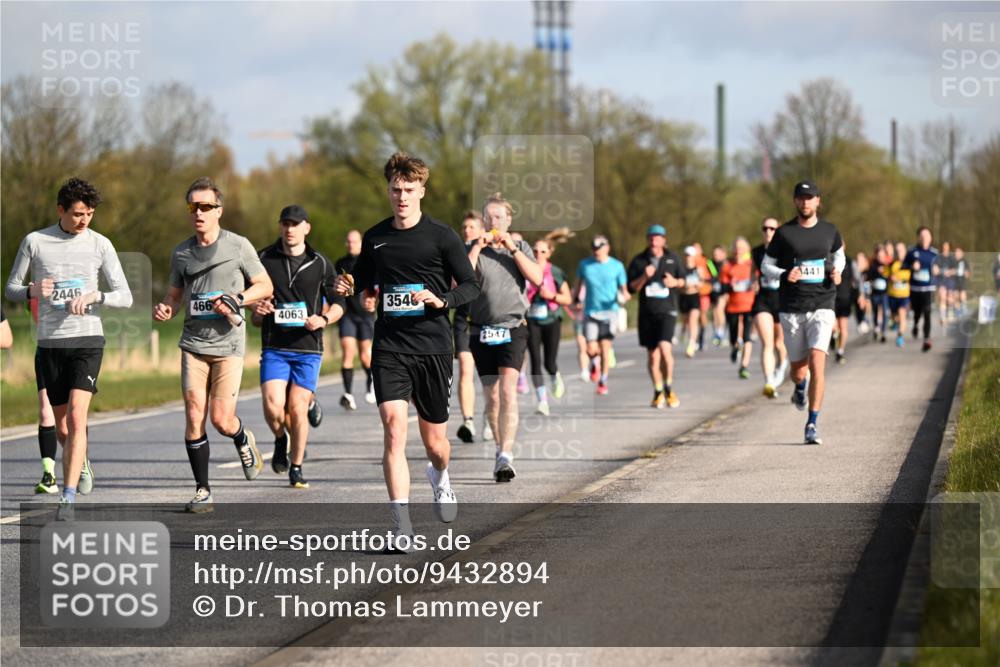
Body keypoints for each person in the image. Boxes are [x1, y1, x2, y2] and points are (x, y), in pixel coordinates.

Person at [334, 152, 480, 547]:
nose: (401, 197)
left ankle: (441, 477)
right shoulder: (376, 237)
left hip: (432, 346)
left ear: (422, 192)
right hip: (390, 347)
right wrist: (351, 290)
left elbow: (470, 285)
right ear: (388, 191)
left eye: (409, 190)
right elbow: (360, 282)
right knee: (394, 430)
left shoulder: (442, 236)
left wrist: (441, 301)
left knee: (436, 445)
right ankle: (402, 526)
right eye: (396, 190)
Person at [5, 177, 134, 519]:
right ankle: (82, 462)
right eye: (77, 213)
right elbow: (11, 289)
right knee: (62, 428)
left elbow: (126, 295)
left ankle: (68, 496)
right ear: (60, 209)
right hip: (50, 343)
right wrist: (33, 289)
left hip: (87, 339)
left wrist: (97, 295)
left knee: (78, 416)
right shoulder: (35, 241)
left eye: (89, 214)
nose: (84, 220)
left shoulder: (100, 244)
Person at [153, 177, 273, 513]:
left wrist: (238, 299)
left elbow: (264, 285)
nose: (198, 212)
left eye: (205, 206)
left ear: (218, 210)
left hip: (228, 345)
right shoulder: (182, 252)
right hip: (192, 343)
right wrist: (166, 307)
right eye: (193, 206)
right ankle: (203, 490)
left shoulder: (238, 246)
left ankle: (240, 437)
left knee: (221, 419)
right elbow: (175, 296)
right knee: (194, 414)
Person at [252, 205, 343, 490]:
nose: (290, 229)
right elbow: (254, 314)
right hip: (275, 346)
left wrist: (323, 318)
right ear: (280, 226)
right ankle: (280, 438)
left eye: (295, 224)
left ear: (307, 228)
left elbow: (340, 306)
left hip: (308, 348)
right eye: (285, 224)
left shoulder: (320, 262)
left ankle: (297, 466)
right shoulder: (263, 258)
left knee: (297, 407)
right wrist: (259, 309)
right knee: (272, 406)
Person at [761, 180, 845, 446]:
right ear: (795, 201)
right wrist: (786, 273)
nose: (805, 202)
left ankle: (812, 423)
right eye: (801, 198)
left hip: (822, 303)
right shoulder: (784, 234)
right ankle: (799, 388)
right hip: (792, 309)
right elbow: (766, 266)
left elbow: (839, 255)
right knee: (799, 370)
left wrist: (837, 271)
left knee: (818, 362)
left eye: (810, 198)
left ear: (818, 201)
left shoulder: (830, 231)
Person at [467, 193, 542, 481]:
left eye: (498, 217)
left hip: (513, 327)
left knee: (509, 391)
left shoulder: (520, 246)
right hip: (481, 329)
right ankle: (500, 449)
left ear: (508, 220)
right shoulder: (473, 248)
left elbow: (536, 278)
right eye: (488, 217)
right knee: (492, 397)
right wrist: (476, 248)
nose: (493, 222)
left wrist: (513, 249)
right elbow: (459, 280)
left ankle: (505, 455)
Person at [627, 224, 684, 408]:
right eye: (651, 237)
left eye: (658, 237)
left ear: (664, 240)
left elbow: (684, 280)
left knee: (665, 350)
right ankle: (658, 390)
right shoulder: (639, 261)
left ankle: (669, 387)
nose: (654, 240)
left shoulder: (673, 258)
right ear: (647, 239)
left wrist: (674, 282)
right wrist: (644, 276)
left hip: (667, 311)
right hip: (647, 313)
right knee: (653, 357)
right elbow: (631, 288)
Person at [573, 235, 629, 396]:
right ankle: (594, 362)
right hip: (590, 311)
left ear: (607, 247)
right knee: (590, 348)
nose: (596, 251)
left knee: (605, 347)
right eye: (594, 248)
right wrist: (576, 299)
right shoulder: (585, 265)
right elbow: (578, 284)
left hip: (610, 312)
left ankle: (603, 381)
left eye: (599, 248)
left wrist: (624, 297)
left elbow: (624, 289)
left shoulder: (617, 266)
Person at [526, 229, 573, 416]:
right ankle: (542, 401)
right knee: (535, 361)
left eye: (542, 251)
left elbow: (567, 299)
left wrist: (551, 295)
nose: (538, 254)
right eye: (535, 251)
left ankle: (555, 376)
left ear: (550, 253)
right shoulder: (525, 269)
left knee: (549, 362)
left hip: (552, 319)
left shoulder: (555, 272)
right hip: (531, 319)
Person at [335, 229, 376, 411]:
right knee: (348, 353)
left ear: (360, 243)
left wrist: (373, 301)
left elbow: (376, 286)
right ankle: (348, 394)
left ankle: (371, 382)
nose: (351, 245)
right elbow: (334, 289)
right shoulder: (340, 264)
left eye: (355, 242)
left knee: (366, 356)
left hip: (365, 316)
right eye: (349, 242)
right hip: (347, 315)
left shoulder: (368, 262)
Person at [455, 211, 486, 443]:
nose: (467, 230)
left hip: (488, 319)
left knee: (488, 375)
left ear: (481, 230)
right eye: (464, 227)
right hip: (463, 319)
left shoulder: (491, 251)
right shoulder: (455, 252)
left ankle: (489, 417)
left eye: (472, 227)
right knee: (466, 369)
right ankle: (468, 421)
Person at [751, 218, 788, 398]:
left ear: (778, 231)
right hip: (763, 300)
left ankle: (781, 367)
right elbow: (752, 273)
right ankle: (769, 382)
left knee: (780, 344)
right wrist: (752, 282)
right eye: (765, 228)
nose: (768, 231)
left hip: (782, 301)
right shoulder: (756, 252)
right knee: (767, 343)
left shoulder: (785, 251)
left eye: (772, 228)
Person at [719, 236, 756, 379]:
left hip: (749, 305)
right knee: (734, 337)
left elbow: (758, 280)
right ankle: (735, 347)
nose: (738, 251)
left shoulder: (752, 265)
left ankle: (744, 366)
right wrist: (730, 285)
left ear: (747, 249)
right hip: (733, 306)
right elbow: (722, 287)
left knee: (747, 337)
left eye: (741, 248)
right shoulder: (727, 266)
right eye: (736, 248)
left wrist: (754, 284)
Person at [904, 227, 939, 353]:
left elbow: (941, 269)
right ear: (919, 238)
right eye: (922, 236)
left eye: (927, 236)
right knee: (917, 313)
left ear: (931, 238)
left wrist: (937, 271)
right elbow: (904, 265)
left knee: (927, 312)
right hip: (915, 289)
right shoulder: (912, 252)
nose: (924, 238)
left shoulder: (935, 253)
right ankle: (915, 325)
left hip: (929, 288)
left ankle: (926, 340)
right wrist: (912, 267)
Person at [678, 246, 708, 358]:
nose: (688, 257)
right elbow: (678, 284)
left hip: (694, 297)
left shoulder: (698, 269)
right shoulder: (680, 269)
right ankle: (683, 330)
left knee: (693, 320)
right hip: (683, 297)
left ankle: (691, 344)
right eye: (686, 255)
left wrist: (695, 284)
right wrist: (684, 284)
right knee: (685, 320)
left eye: (690, 255)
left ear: (694, 257)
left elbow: (702, 283)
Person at [832, 242, 856, 364]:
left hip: (845, 298)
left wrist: (859, 295)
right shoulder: (829, 259)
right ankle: (833, 337)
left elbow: (856, 280)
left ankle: (840, 351)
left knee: (843, 327)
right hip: (831, 297)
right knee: (833, 327)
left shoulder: (850, 262)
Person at [888, 244, 911, 348]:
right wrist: (890, 278)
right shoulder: (893, 264)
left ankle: (900, 336)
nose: (899, 253)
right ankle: (895, 323)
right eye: (897, 251)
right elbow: (886, 275)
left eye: (901, 250)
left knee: (902, 315)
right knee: (894, 317)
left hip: (904, 295)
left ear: (905, 252)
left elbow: (913, 277)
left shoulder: (909, 264)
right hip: (893, 295)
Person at [869, 243, 891, 343]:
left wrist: (885, 274)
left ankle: (884, 332)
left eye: (882, 256)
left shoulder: (887, 265)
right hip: (875, 293)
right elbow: (868, 276)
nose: (880, 258)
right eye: (879, 256)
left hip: (884, 293)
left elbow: (890, 277)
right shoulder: (873, 265)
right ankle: (876, 327)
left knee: (885, 312)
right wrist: (876, 271)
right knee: (875, 312)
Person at [708, 245, 728, 346]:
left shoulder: (727, 264)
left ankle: (721, 332)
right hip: (713, 291)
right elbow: (709, 276)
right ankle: (716, 332)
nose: (715, 256)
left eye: (717, 254)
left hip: (724, 291)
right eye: (714, 254)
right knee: (714, 313)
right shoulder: (710, 264)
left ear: (723, 254)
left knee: (719, 310)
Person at [954, 247, 970, 316]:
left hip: (962, 280)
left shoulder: (964, 262)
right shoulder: (952, 261)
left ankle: (964, 308)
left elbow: (968, 272)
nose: (957, 254)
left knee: (962, 294)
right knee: (956, 296)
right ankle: (957, 311)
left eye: (959, 252)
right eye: (956, 252)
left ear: (962, 254)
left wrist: (966, 273)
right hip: (954, 280)